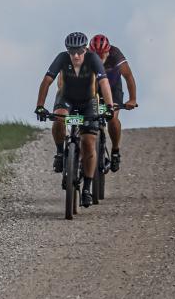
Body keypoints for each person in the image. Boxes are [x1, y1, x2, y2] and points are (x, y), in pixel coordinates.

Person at [35, 32, 115, 207]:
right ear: (67, 51)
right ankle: (60, 153)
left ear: (85, 49)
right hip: (66, 99)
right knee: (59, 118)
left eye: (79, 51)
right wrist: (40, 106)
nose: (76, 55)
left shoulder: (93, 59)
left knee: (88, 142)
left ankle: (86, 187)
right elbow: (47, 80)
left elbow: (104, 83)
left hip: (88, 101)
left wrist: (109, 107)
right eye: (72, 52)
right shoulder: (62, 58)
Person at [89, 34, 138, 172]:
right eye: (95, 55)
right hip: (94, 87)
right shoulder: (85, 55)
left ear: (108, 51)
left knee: (112, 118)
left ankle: (115, 151)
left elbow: (128, 76)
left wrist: (132, 99)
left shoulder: (115, 54)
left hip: (113, 87)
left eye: (101, 54)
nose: (99, 58)